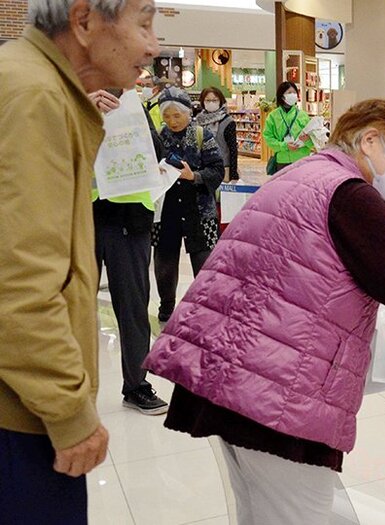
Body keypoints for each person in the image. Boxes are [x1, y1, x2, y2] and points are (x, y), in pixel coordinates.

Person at [143, 99, 385, 524]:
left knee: (260, 512)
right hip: (272, 391)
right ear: (371, 140)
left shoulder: (304, 173)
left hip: (232, 372)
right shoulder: (351, 194)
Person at [0, 0, 158, 522]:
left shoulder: (30, 82)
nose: (153, 46)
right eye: (144, 22)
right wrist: (71, 414)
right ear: (85, 21)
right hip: (21, 418)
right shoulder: (36, 96)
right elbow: (20, 284)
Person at [88, 88, 167, 415]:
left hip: (131, 219)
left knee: (134, 306)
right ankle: (71, 392)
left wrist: (131, 122)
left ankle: (136, 384)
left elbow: (157, 150)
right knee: (72, 308)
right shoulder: (74, 99)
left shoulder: (136, 106)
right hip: (83, 216)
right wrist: (86, 115)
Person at [153, 87, 225, 323]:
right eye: (167, 116)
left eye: (177, 115)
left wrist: (193, 176)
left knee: (204, 263)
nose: (172, 121)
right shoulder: (159, 139)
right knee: (165, 261)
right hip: (167, 210)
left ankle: (205, 309)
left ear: (188, 113)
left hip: (200, 209)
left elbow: (216, 171)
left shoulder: (202, 135)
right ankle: (166, 306)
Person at [262, 81, 314, 173]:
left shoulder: (303, 115)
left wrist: (308, 140)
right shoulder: (273, 116)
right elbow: (268, 138)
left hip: (302, 160)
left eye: (294, 92)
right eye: (289, 93)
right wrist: (285, 146)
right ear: (282, 96)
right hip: (282, 161)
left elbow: (314, 140)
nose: (293, 95)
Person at [197, 86, 239, 182]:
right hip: (201, 168)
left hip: (222, 167)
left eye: (215, 100)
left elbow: (232, 149)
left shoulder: (228, 121)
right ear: (203, 102)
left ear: (220, 101)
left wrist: (233, 173)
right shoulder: (198, 120)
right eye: (207, 100)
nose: (211, 103)